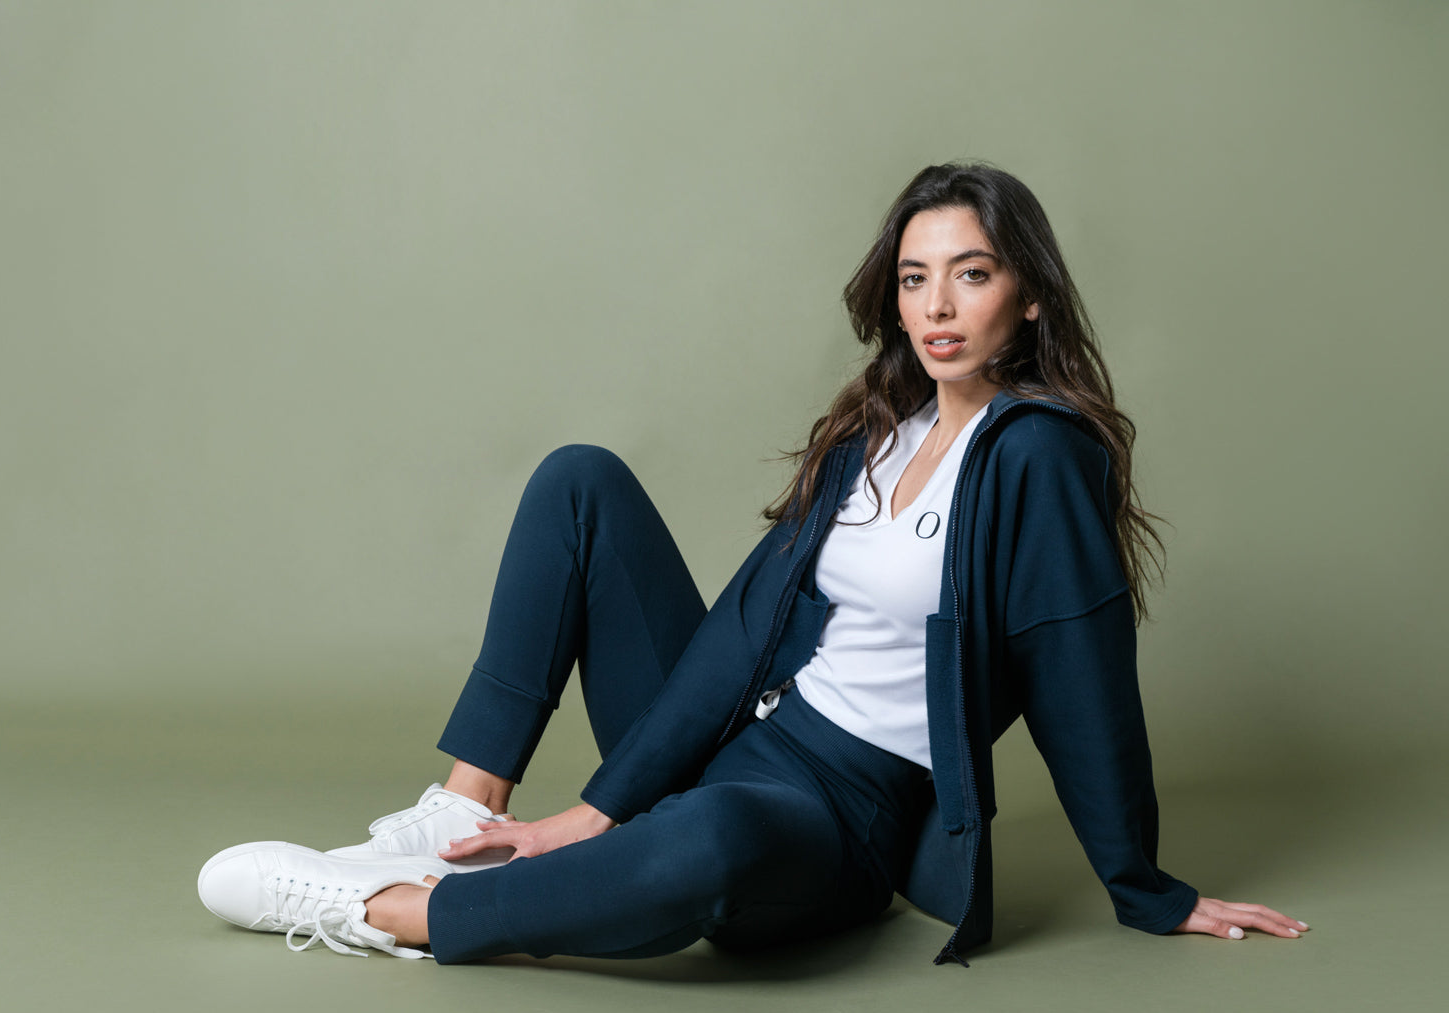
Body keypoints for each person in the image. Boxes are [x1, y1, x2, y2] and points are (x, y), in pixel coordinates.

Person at [197, 162, 1307, 965]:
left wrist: (1145, 889)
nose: (937, 306)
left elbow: (1082, 673)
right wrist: (596, 804)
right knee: (580, 482)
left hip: (843, 816)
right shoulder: (881, 426)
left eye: (970, 275)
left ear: (1024, 295)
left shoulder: (1036, 456)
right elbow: (740, 627)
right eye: (917, 278)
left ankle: (389, 911)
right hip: (744, 735)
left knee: (713, 837)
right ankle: (459, 819)